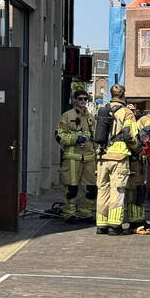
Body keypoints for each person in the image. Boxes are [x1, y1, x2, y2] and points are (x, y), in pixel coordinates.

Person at [95, 85, 150, 235]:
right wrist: (139, 149)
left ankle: (101, 225)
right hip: (120, 157)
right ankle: (114, 226)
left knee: (102, 191)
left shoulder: (103, 110)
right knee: (117, 191)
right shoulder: (127, 113)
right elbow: (129, 135)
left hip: (102, 156)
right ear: (124, 95)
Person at [55, 90, 97, 223]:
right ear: (74, 100)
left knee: (92, 189)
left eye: (86, 99)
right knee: (71, 188)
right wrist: (75, 138)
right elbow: (59, 136)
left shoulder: (91, 117)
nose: (83, 101)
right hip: (72, 157)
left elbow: (95, 137)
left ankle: (86, 213)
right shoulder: (67, 116)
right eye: (80, 99)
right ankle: (69, 214)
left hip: (89, 158)